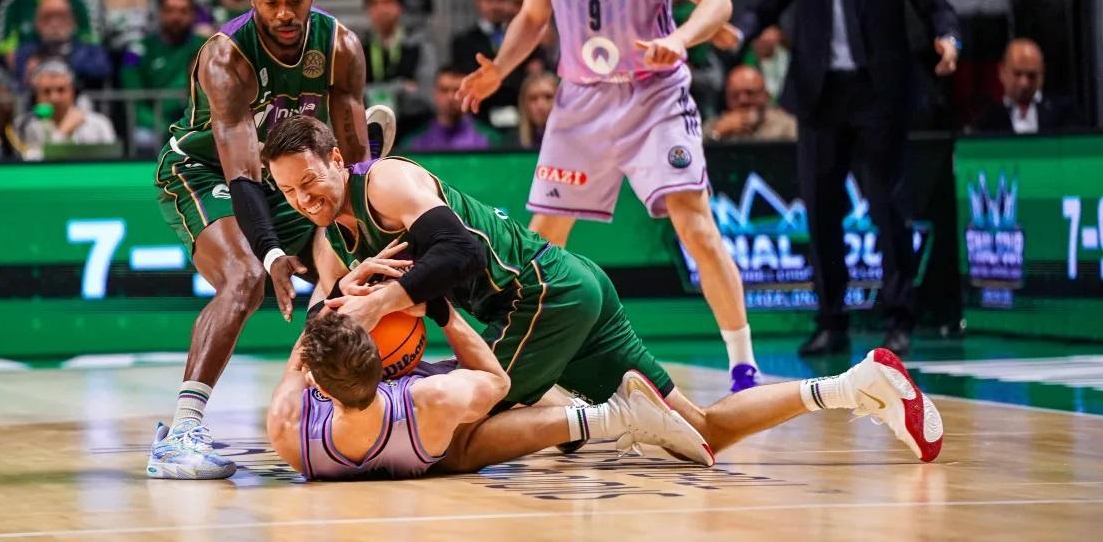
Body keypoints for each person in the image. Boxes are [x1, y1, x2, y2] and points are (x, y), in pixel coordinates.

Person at [260, 115, 946, 473]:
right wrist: (362, 294)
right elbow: (389, 310)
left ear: (334, 159)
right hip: (573, 290)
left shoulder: (385, 185)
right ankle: (856, 385)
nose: (304, 197)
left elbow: (462, 252)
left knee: (454, 441)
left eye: (309, 179)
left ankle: (579, 408)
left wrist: (385, 301)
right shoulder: (342, 235)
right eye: (289, 191)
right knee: (702, 433)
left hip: (542, 298)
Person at [457, 0, 761, 392]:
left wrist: (678, 39)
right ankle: (531, 369)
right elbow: (532, 16)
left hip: (652, 96)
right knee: (541, 243)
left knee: (696, 227)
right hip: (580, 101)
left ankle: (743, 363)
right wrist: (501, 68)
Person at [144, 0, 390, 480]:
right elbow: (242, 175)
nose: (283, 14)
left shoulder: (340, 46)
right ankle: (180, 430)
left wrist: (367, 218)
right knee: (246, 278)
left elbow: (353, 165)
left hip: (285, 172)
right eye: (271, 1)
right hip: (204, 169)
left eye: (294, 1)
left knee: (357, 258)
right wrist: (275, 254)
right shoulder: (226, 57)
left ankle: (363, 399)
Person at [732, 0, 961, 358]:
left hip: (878, 94)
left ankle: (899, 317)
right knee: (821, 213)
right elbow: (768, 0)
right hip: (820, 96)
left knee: (888, 208)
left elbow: (934, 2)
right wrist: (740, 30)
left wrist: (949, 38)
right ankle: (831, 320)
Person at [267, 300, 705, 479]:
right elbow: (498, 382)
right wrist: (444, 313)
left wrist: (333, 301)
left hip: (407, 449)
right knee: (464, 446)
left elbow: (302, 354)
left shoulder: (289, 432)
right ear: (383, 366)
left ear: (317, 382)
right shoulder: (430, 396)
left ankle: (613, 418)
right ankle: (608, 414)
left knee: (458, 460)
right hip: (427, 433)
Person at [450, 0, 545, 128]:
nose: (496, 6)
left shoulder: (525, 37)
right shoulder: (463, 41)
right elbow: (468, 78)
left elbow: (535, 72)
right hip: (480, 115)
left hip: (521, 113)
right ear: (478, 1)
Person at [119, 0, 206, 153]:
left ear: (193, 15)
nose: (176, 17)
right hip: (155, 124)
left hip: (197, 123)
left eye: (183, 11)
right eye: (170, 11)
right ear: (159, 13)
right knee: (143, 138)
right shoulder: (137, 51)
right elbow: (134, 101)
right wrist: (165, 127)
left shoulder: (207, 46)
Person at [359, 0, 434, 136]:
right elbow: (351, 95)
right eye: (374, 3)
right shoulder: (357, 46)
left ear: (400, 7)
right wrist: (401, 87)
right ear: (367, 9)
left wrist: (374, 91)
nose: (381, 9)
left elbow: (427, 94)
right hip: (369, 132)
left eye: (387, 2)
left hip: (413, 130)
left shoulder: (419, 45)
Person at [15, 58, 117, 159]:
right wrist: (62, 133)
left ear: (73, 93)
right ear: (35, 97)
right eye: (46, 92)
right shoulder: (25, 126)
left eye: (61, 90)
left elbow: (113, 164)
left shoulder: (98, 124)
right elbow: (30, 165)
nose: (54, 98)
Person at [974, 38, 1078, 135]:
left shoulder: (1064, 114)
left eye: (1031, 75)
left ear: (1042, 74)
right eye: (1017, 74)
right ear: (1002, 72)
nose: (1024, 83)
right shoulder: (987, 119)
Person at [13, 0, 112, 89]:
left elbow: (103, 70)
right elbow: (20, 84)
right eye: (47, 17)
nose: (54, 23)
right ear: (37, 23)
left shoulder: (91, 51)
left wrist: (63, 61)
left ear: (73, 22)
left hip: (82, 103)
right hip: (37, 104)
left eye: (61, 17)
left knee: (127, 58)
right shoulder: (25, 53)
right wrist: (29, 74)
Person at [402, 65, 501, 152]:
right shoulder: (414, 142)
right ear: (434, 94)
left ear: (469, 94)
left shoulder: (489, 140)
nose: (451, 97)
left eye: (458, 90)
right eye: (444, 90)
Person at [702, 65, 797, 143]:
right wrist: (717, 133)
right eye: (735, 95)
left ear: (766, 95)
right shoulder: (714, 125)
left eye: (750, 93)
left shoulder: (787, 126)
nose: (743, 100)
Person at [516, 70, 556, 148]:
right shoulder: (510, 143)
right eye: (533, 98)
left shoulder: (577, 140)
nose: (541, 105)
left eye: (548, 97)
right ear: (524, 104)